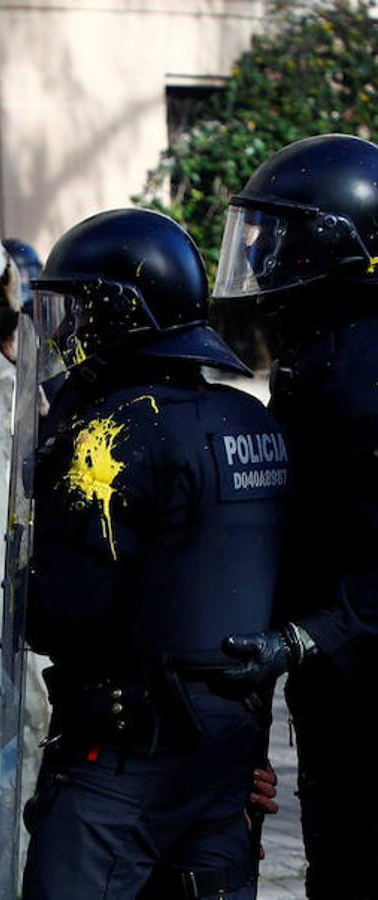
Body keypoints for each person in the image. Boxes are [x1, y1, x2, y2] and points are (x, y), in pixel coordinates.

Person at [20, 209, 286, 897]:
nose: (66, 330)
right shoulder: (249, 420)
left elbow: (55, 614)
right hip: (227, 755)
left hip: (118, 757)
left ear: (118, 313)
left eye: (75, 309)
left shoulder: (110, 436)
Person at [210, 132, 378, 897]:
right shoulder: (325, 355)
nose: (261, 261)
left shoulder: (363, 367)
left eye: (275, 239)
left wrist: (308, 635)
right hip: (337, 687)